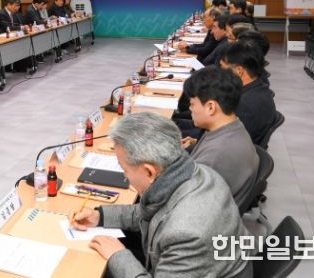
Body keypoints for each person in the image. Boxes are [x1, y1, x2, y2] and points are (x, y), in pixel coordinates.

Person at [70, 112, 251, 278]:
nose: (125, 176)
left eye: (124, 169)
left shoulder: (186, 232)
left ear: (149, 172)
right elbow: (152, 211)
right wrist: (99, 216)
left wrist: (118, 255)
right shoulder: (196, 173)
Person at [182, 67, 259, 207]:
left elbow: (185, 203)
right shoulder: (231, 127)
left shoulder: (217, 155)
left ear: (211, 107)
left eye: (192, 104)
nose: (190, 108)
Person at [221, 41, 277, 145]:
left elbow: (225, 142)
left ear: (239, 71)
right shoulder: (259, 88)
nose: (222, 73)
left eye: (224, 68)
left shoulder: (244, 105)